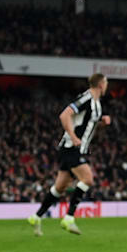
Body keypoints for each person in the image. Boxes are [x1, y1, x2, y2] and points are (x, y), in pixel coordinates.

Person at [27, 74, 111, 236]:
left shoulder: (97, 103)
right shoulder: (86, 98)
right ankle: (69, 217)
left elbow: (88, 125)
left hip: (77, 148)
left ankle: (36, 217)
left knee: (60, 187)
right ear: (101, 84)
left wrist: (102, 122)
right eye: (106, 83)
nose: (107, 86)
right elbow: (64, 115)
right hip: (71, 147)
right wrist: (73, 136)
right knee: (88, 179)